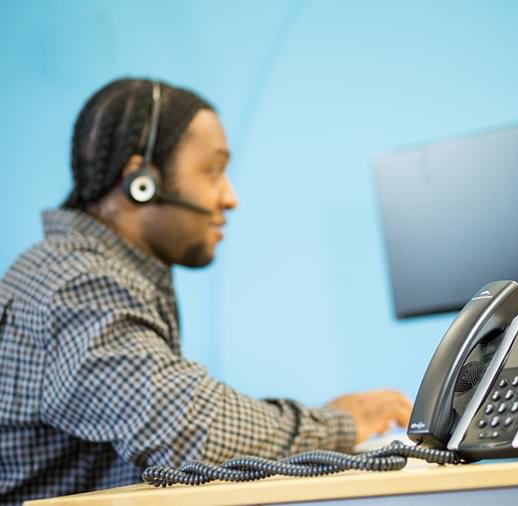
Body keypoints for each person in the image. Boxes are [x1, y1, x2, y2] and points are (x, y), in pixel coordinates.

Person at [0, 78, 412, 504]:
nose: (229, 197)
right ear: (140, 180)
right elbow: (190, 430)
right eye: (213, 171)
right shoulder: (75, 283)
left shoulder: (89, 271)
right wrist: (339, 423)